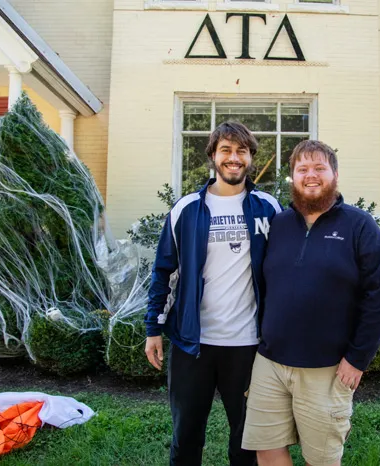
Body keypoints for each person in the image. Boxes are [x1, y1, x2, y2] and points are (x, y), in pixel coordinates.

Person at [242, 140, 380, 466]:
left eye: (319, 168)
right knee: (266, 449)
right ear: (293, 178)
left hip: (327, 369)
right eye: (302, 169)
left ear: (334, 175)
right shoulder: (278, 225)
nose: (310, 176)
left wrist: (358, 358)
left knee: (321, 459)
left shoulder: (359, 226)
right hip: (270, 362)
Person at [145, 121, 281, 466]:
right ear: (213, 156)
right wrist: (153, 329)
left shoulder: (269, 208)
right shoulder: (186, 210)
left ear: (250, 158)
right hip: (193, 343)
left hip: (249, 345)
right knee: (187, 437)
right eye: (226, 150)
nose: (233, 158)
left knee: (248, 440)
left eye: (241, 151)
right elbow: (163, 271)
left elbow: (287, 272)